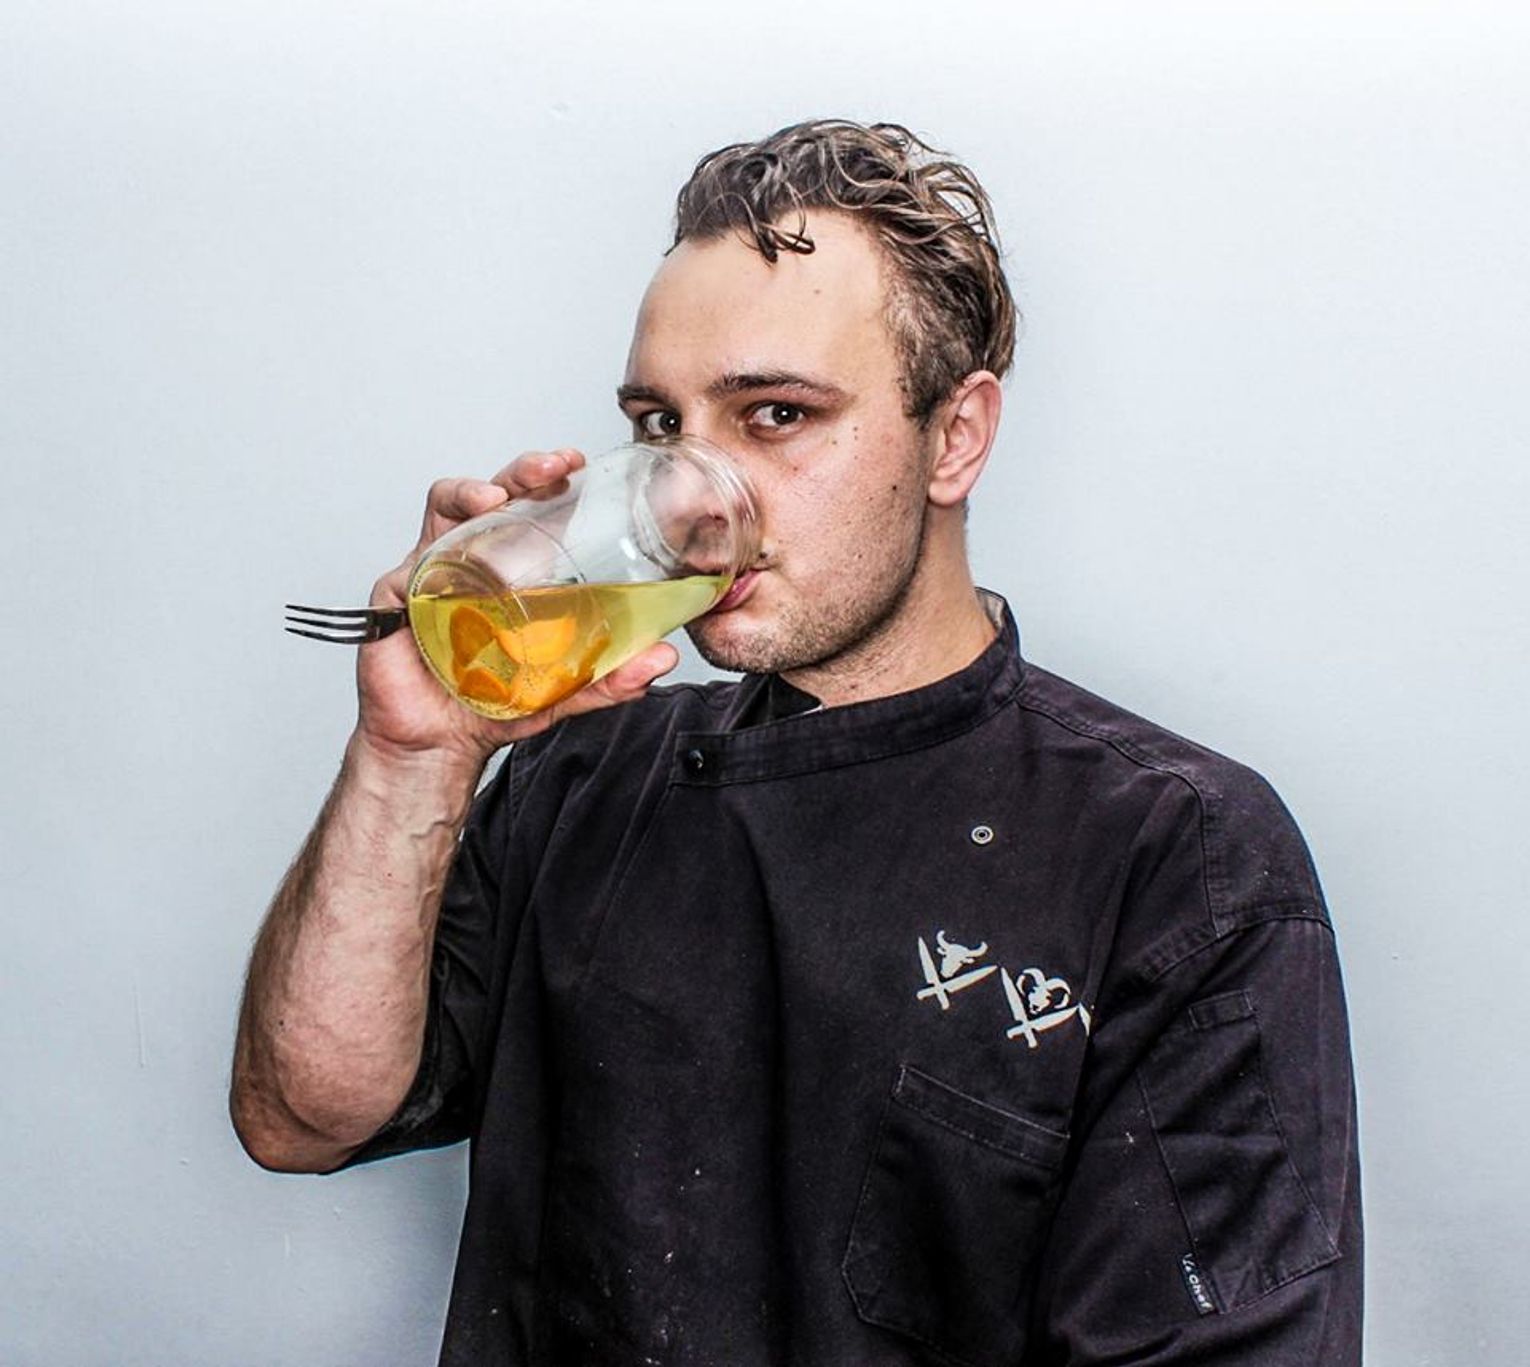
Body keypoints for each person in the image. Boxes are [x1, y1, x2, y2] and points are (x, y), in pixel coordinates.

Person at [232, 119, 1362, 1365]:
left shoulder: (1175, 856)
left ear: (956, 436)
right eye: (660, 426)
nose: (696, 496)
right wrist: (413, 754)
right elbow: (301, 1117)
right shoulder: (581, 772)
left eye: (776, 413)